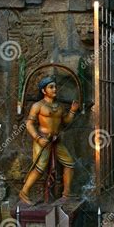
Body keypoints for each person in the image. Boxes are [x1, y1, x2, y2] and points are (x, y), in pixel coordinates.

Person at [19, 76, 80, 206]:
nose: (54, 89)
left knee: (69, 163)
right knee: (40, 167)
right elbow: (29, 124)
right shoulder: (38, 105)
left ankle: (66, 193)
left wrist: (72, 111)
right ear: (43, 90)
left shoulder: (59, 106)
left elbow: (65, 122)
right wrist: (38, 138)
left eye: (55, 86)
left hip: (56, 140)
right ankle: (24, 192)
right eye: (51, 87)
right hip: (42, 139)